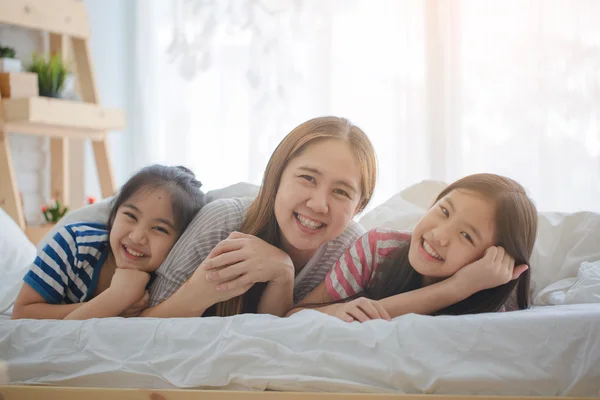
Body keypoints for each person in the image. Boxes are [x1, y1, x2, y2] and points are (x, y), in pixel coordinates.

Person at [140, 116, 377, 318]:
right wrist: (199, 292)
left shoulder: (353, 252)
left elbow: (277, 341)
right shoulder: (222, 222)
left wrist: (283, 275)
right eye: (307, 178)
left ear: (359, 206)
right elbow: (134, 326)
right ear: (277, 175)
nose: (318, 204)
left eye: (341, 192)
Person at [288, 173, 537, 321]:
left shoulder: (499, 306)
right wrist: (338, 313)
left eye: (466, 235)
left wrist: (461, 288)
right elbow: (293, 316)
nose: (439, 234)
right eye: (444, 211)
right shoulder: (377, 251)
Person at [12, 165, 204, 320]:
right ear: (114, 215)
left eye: (159, 229)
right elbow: (21, 314)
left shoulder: (169, 277)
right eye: (130, 216)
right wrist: (114, 300)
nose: (137, 237)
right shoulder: (74, 243)